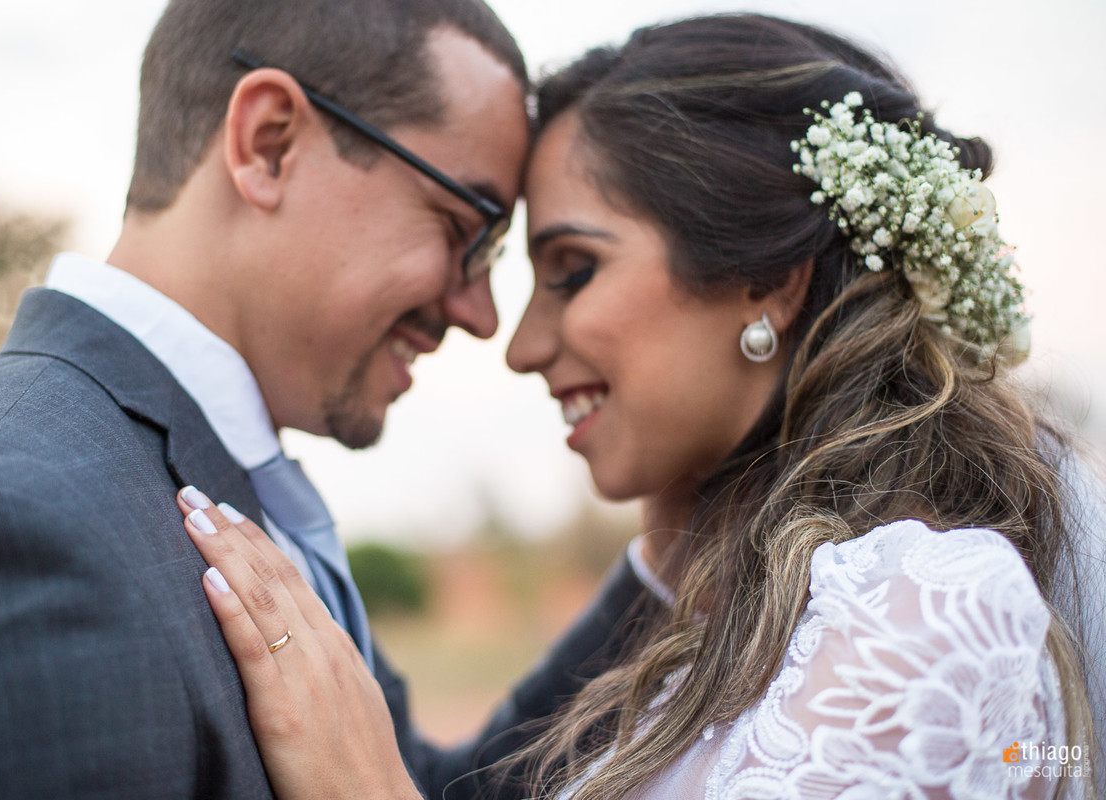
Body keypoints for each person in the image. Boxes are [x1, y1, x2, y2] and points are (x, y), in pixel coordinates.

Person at [177, 12, 1103, 799]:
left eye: (574, 271)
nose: (520, 343)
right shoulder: (739, 602)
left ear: (766, 282)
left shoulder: (929, 615)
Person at [0, 1, 656, 797]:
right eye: (466, 230)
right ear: (269, 144)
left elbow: (410, 782)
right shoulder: (7, 523)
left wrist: (666, 570)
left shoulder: (220, 474)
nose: (482, 316)